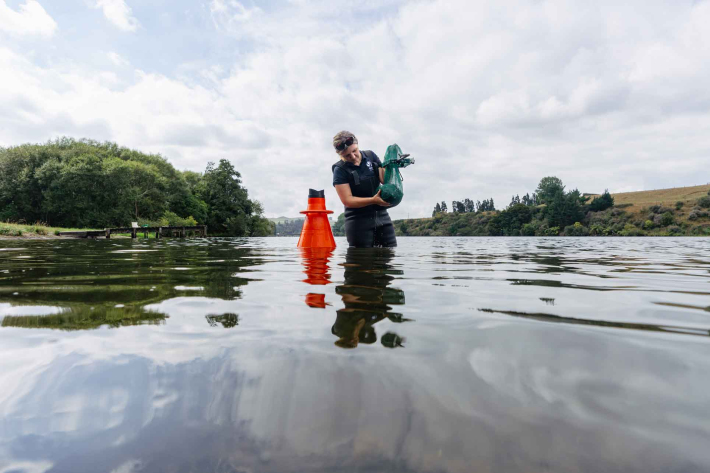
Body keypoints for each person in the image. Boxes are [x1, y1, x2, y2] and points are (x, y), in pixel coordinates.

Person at [331, 131, 397, 248]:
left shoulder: (370, 156)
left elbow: (383, 179)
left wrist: (392, 167)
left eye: (354, 151)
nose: (352, 156)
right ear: (340, 155)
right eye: (347, 155)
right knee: (361, 263)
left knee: (389, 256)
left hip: (382, 218)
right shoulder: (339, 170)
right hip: (357, 222)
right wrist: (373, 200)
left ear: (357, 145)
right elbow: (347, 200)